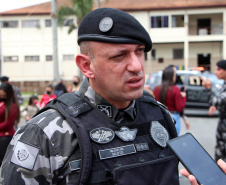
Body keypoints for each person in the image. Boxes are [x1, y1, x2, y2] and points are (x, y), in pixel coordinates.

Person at [1, 8, 191, 185]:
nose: (136, 66)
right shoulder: (44, 134)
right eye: (119, 56)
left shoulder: (159, 115)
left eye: (139, 51)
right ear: (86, 66)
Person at [202, 59, 226, 162]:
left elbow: (217, 101)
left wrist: (208, 89)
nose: (216, 72)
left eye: (219, 69)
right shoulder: (224, 84)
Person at [153, 66, 187, 135]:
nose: (175, 77)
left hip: (159, 117)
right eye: (174, 75)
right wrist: (184, 97)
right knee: (174, 141)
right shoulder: (175, 89)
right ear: (172, 77)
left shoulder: (156, 89)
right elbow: (180, 108)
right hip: (173, 117)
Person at [0, 83, 20, 167]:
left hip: (5, 136)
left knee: (3, 161)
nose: (2, 97)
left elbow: (8, 123)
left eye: (4, 95)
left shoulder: (13, 106)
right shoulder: (2, 103)